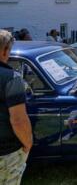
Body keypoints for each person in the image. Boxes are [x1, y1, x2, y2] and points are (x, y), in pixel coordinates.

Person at [0, 30, 33, 184]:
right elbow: (18, 120)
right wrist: (28, 143)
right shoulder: (12, 78)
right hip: (5, 153)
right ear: (5, 50)